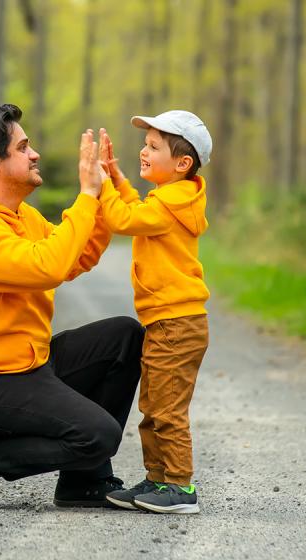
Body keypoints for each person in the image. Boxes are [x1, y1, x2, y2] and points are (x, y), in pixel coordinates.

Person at [0, 104, 144, 509]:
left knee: (122, 338)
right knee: (97, 435)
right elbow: (46, 266)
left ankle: (84, 483)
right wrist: (85, 195)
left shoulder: (21, 216)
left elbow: (76, 255)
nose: (34, 154)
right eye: (23, 147)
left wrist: (103, 189)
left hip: (20, 365)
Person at [95, 111, 213, 514]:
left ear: (182, 163)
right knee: (153, 405)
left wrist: (100, 187)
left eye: (153, 146)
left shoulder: (170, 204)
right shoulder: (169, 199)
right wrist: (117, 178)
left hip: (177, 324)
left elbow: (122, 218)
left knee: (167, 409)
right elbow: (135, 210)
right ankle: (157, 479)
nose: (143, 151)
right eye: (144, 144)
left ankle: (180, 486)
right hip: (167, 322)